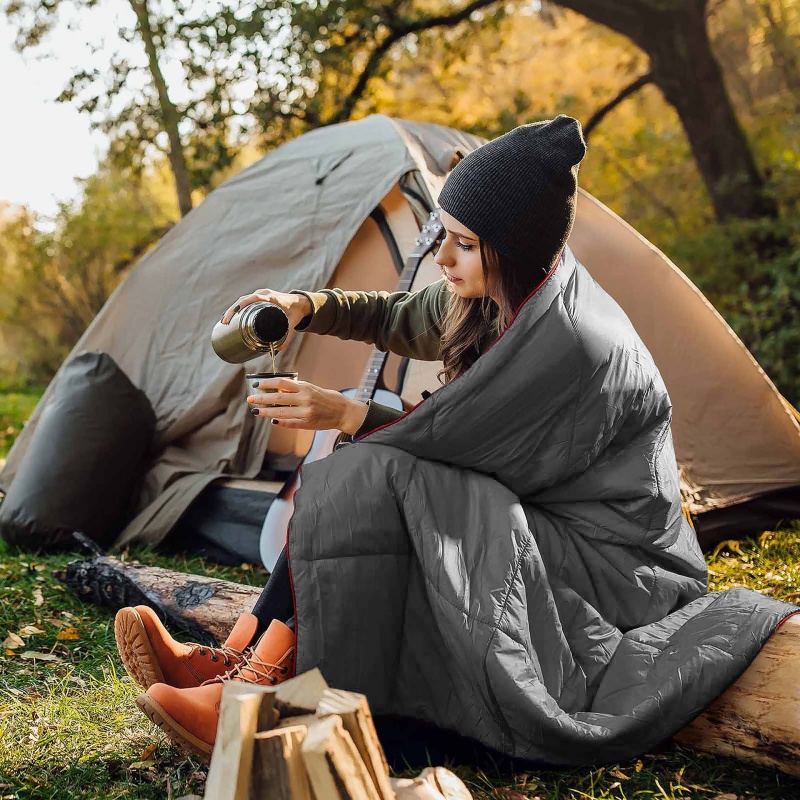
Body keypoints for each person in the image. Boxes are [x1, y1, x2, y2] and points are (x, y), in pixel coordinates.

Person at [114, 115, 589, 759]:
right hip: (487, 509)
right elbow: (392, 314)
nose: (443, 259)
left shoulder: (556, 344)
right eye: (444, 236)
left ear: (516, 251)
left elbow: (477, 458)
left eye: (465, 245)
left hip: (549, 547)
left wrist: (346, 414)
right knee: (354, 472)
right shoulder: (480, 302)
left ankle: (258, 689)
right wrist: (304, 304)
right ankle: (238, 659)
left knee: (368, 479)